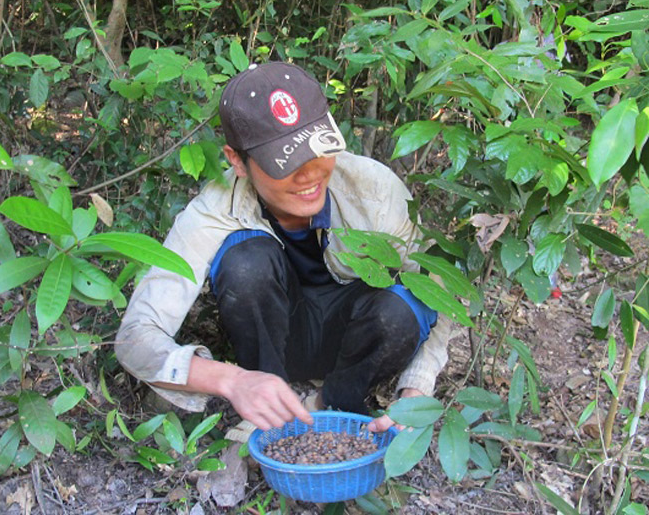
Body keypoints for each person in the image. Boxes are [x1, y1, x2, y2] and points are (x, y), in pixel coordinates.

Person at [115, 61, 452, 434]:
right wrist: (232, 380)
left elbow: (438, 290)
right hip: (277, 340)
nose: (309, 174)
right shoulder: (214, 209)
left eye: (318, 150)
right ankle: (268, 407)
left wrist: (416, 388)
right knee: (246, 263)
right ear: (237, 161)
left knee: (404, 307)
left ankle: (331, 403)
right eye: (284, 162)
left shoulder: (372, 189)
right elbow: (135, 338)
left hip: (354, 331)